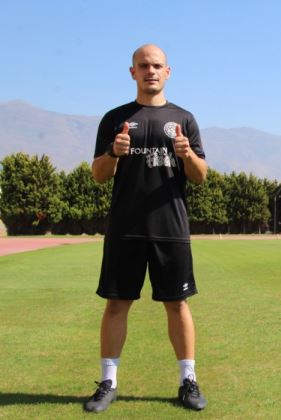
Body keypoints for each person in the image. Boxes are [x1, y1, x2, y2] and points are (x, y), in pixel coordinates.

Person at [84, 44, 208, 413]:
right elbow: (97, 175)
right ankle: (108, 382)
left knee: (177, 304)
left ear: (168, 72)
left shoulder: (183, 119)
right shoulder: (115, 119)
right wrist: (113, 153)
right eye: (143, 65)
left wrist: (187, 155)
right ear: (132, 72)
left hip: (170, 227)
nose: (150, 70)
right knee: (117, 304)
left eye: (157, 65)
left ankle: (188, 381)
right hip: (124, 228)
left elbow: (200, 177)